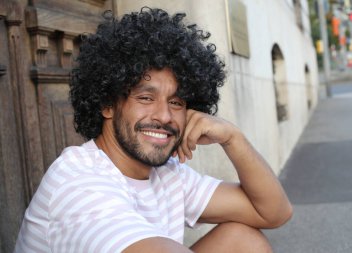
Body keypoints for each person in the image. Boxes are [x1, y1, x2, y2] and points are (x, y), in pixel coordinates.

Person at [14, 7, 292, 253]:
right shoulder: (77, 182)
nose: (164, 116)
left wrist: (233, 138)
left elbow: (272, 212)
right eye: (145, 98)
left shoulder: (167, 174)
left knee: (242, 241)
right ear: (108, 105)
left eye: (176, 102)